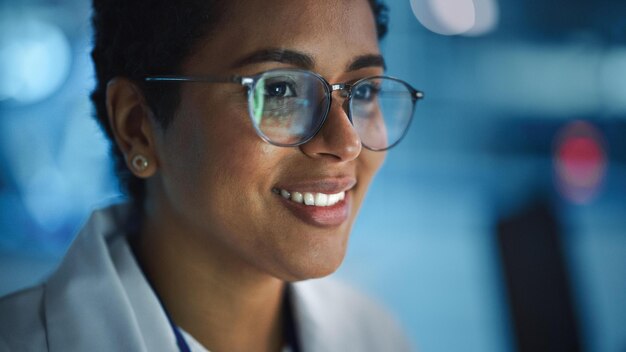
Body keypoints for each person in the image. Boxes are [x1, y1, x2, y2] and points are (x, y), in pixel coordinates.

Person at [0, 0, 424, 351]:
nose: (347, 142)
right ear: (138, 127)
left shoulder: (375, 336)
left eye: (363, 90)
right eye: (279, 90)